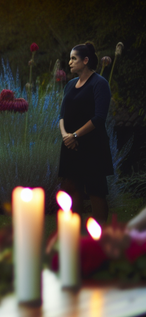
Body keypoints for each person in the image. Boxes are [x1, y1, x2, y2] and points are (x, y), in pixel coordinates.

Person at [59, 42, 113, 224]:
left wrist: (75, 136)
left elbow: (99, 117)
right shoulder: (70, 85)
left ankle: (100, 239)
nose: (70, 62)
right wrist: (66, 136)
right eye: (70, 58)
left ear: (86, 60)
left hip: (92, 147)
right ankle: (74, 235)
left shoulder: (100, 84)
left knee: (95, 191)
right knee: (71, 190)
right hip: (70, 146)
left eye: (74, 58)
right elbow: (62, 115)